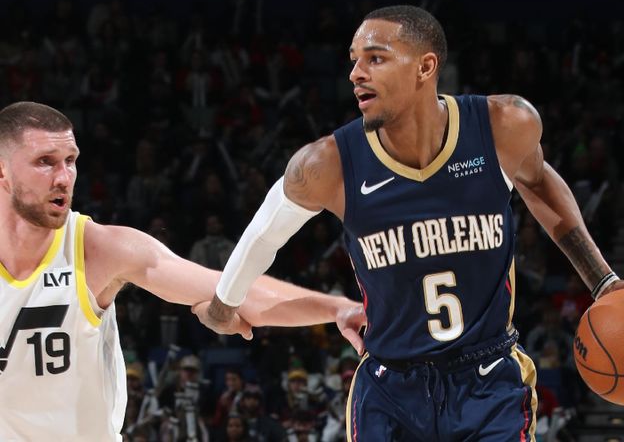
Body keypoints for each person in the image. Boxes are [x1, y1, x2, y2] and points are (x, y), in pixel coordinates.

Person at [195, 5, 624, 440]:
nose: (356, 73)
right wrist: (223, 303)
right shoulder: (327, 164)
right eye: (354, 59)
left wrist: (603, 281)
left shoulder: (502, 125)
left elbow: (538, 183)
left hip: (489, 378)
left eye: (375, 58)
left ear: (425, 67)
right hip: (389, 384)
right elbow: (265, 232)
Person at [0, 101, 365, 441]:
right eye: (45, 162)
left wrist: (336, 308)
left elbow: (233, 291)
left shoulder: (97, 249)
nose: (64, 177)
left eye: (71, 160)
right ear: (3, 171)